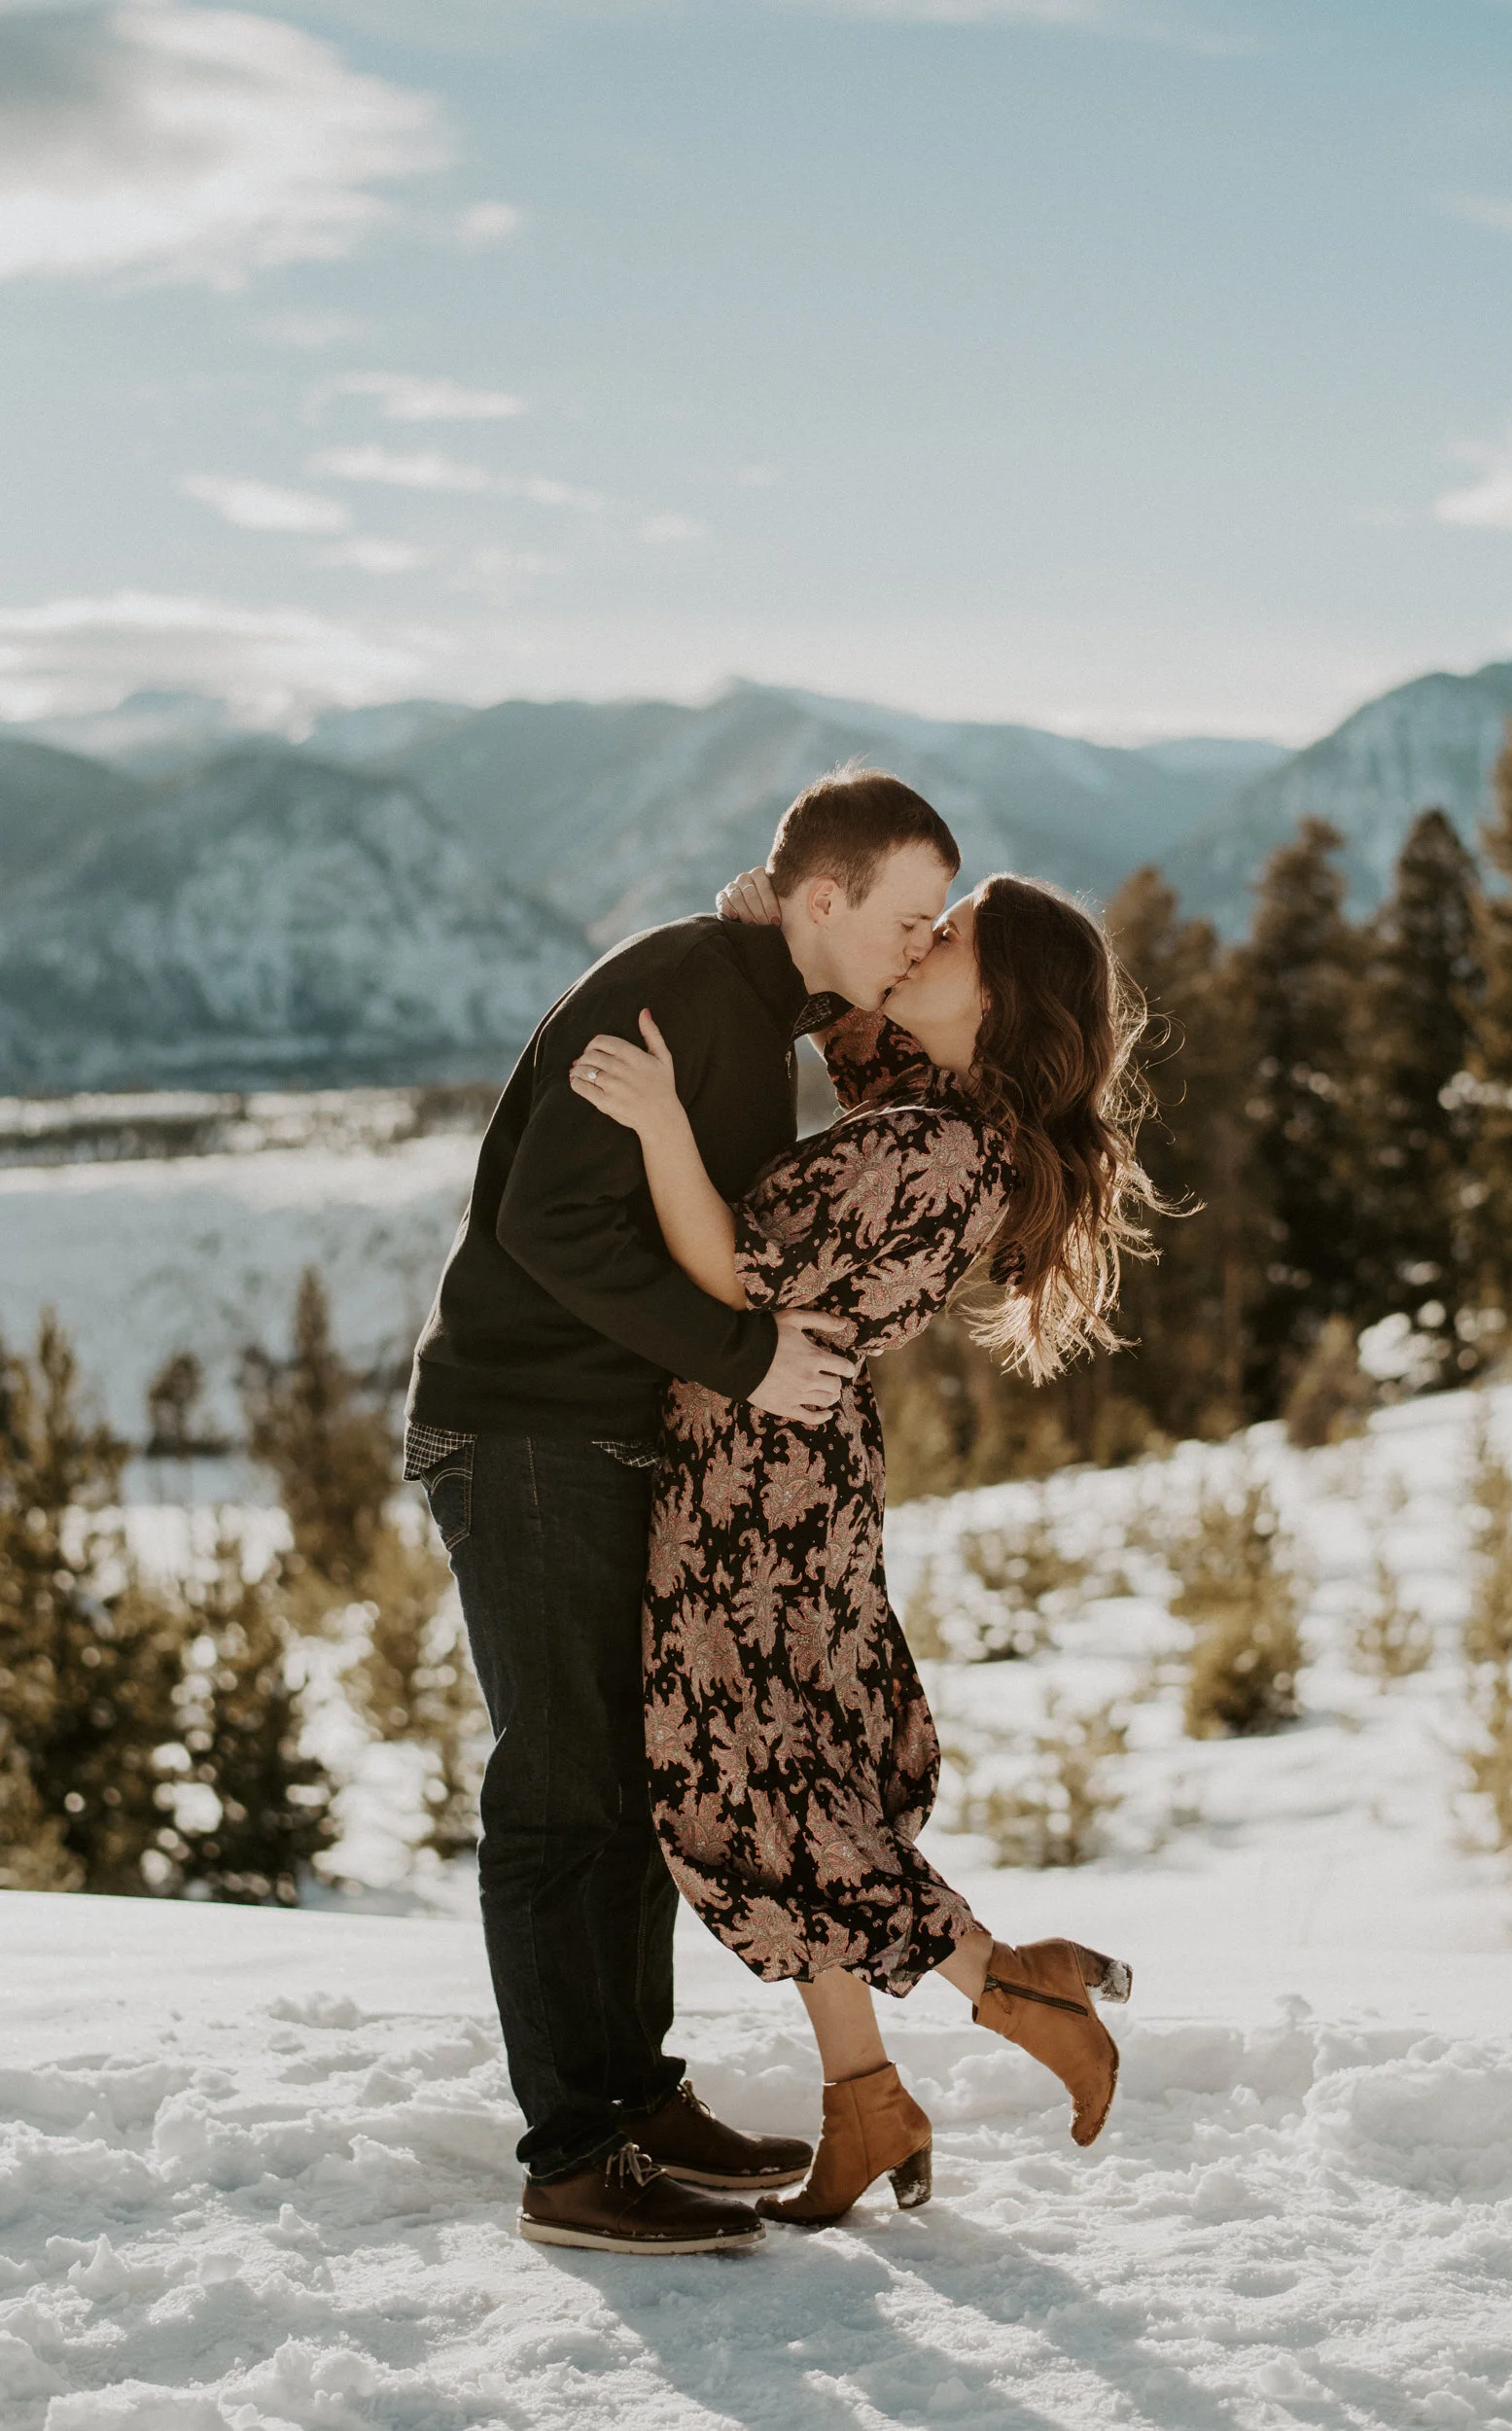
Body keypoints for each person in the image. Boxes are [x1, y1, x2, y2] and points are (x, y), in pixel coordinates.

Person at [405, 767, 963, 2255]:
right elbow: (546, 1220)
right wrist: (744, 1357)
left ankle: (636, 2103)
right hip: (526, 1430)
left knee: (627, 1782)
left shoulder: (752, 995)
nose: (921, 946)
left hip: (601, 1434)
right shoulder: (686, 989)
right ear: (824, 898)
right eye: (908, 920)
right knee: (558, 1791)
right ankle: (573, 2157)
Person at [569, 863, 1157, 2225]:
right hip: (794, 1471)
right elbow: (855, 1030)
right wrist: (790, 926)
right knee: (796, 1773)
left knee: (755, 1782)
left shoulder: (935, 1151)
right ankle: (867, 2098)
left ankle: (1007, 1984)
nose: (920, 942)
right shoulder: (947, 1107)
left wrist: (659, 1121)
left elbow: (731, 1275)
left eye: (948, 937)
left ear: (996, 1002)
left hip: (753, 1482)